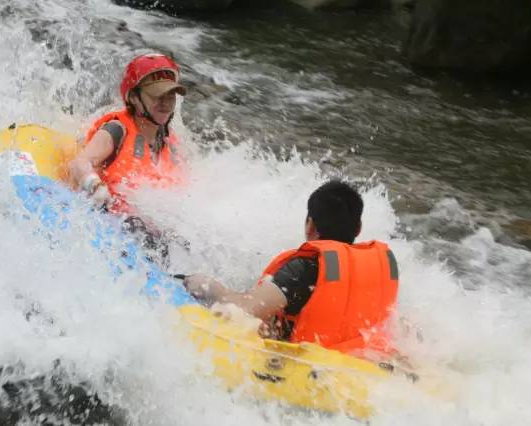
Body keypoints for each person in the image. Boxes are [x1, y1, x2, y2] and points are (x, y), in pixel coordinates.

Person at [183, 180, 399, 355]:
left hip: (307, 372)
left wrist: (209, 286)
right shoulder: (379, 268)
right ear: (358, 228)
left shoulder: (304, 269)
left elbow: (245, 309)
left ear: (310, 225)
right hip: (360, 365)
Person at [68, 53, 187, 259]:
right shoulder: (117, 130)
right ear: (133, 98)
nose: (165, 102)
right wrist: (95, 186)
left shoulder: (170, 144)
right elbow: (80, 163)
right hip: (112, 221)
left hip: (148, 225)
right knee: (148, 238)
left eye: (170, 95)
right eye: (156, 95)